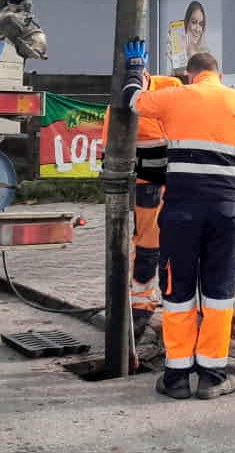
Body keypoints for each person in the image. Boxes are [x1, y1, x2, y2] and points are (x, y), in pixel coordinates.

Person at [122, 42, 235, 400]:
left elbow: (133, 100)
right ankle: (212, 376)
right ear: (218, 76)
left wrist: (134, 66)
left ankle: (176, 377)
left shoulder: (176, 97)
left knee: (178, 293)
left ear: (191, 75)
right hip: (225, 211)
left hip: (180, 211)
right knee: (219, 294)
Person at [100, 72, 183, 339]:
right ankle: (142, 309)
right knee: (149, 247)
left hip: (172, 182)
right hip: (150, 186)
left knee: (172, 248)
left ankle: (155, 307)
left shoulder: (169, 88)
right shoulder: (117, 107)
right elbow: (109, 153)